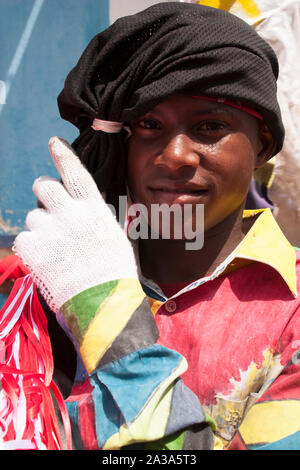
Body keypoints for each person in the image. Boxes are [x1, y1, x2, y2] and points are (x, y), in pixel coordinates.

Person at [1, 2, 300, 450]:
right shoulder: (43, 292)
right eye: (148, 125)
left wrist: (106, 313)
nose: (175, 154)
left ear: (264, 145)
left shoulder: (291, 312)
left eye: (210, 126)